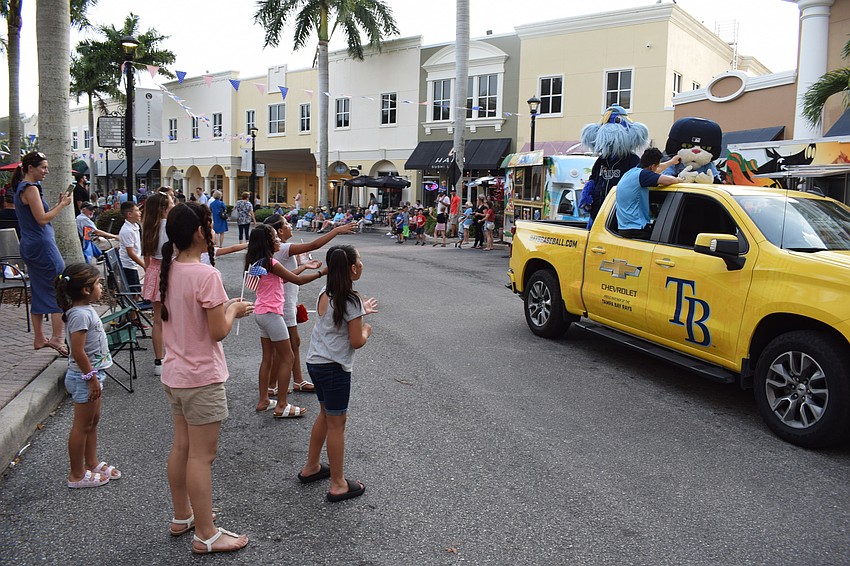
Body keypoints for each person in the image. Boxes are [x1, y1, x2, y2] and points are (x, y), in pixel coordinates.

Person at [158, 202, 252, 554]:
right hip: (201, 377)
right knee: (201, 456)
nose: (214, 229)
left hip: (175, 373)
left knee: (181, 447)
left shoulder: (166, 269)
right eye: (210, 224)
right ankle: (207, 533)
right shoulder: (206, 275)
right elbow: (218, 332)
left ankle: (183, 515)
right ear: (200, 232)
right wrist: (233, 308)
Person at [298, 244, 377, 502]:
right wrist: (366, 329)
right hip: (334, 368)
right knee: (337, 425)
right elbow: (356, 340)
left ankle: (311, 466)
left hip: (316, 363)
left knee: (324, 414)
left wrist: (360, 310)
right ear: (353, 269)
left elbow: (337, 316)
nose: (362, 264)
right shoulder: (351, 300)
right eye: (360, 260)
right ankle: (338, 483)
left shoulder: (326, 291)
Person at [265, 214, 356, 399]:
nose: (290, 226)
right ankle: (274, 385)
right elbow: (314, 245)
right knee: (287, 346)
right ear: (280, 231)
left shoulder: (279, 249)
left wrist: (303, 264)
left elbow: (289, 272)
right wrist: (336, 230)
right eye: (287, 224)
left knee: (291, 344)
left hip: (286, 300)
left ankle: (295, 379)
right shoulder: (283, 247)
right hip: (283, 302)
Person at [245, 224, 327, 416]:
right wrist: (322, 273)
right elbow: (297, 281)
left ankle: (264, 400)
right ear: (267, 242)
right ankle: (282, 405)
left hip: (261, 312)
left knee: (268, 358)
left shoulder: (258, 262)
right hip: (272, 314)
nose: (278, 242)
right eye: (275, 238)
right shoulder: (271, 263)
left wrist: (303, 267)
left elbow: (283, 279)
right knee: (287, 357)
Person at [56, 263, 121, 488]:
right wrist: (91, 378)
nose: (101, 287)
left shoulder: (84, 310)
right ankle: (76, 474)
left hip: (92, 376)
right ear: (85, 289)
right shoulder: (79, 315)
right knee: (81, 426)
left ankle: (91, 463)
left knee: (93, 421)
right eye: (98, 284)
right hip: (85, 378)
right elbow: (78, 351)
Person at [12, 151, 72, 355]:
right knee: (59, 287)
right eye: (43, 167)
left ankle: (39, 338)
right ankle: (57, 338)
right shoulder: (30, 189)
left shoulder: (26, 188)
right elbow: (42, 219)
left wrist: (57, 204)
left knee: (39, 289)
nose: (46, 171)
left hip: (31, 245)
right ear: (31, 168)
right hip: (41, 246)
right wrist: (62, 205)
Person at [141, 191, 175, 377]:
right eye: (170, 204)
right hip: (169, 270)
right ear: (163, 208)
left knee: (157, 319)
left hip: (154, 271)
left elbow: (147, 258)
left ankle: (158, 360)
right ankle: (173, 354)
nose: (173, 206)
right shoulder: (170, 226)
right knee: (174, 316)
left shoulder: (147, 226)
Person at [615, 147, 681, 239]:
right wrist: (681, 179)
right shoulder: (643, 175)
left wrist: (671, 162)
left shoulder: (632, 173)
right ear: (652, 166)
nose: (657, 168)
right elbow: (669, 180)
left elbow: (656, 170)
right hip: (637, 229)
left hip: (625, 228)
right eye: (656, 166)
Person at [118, 201, 145, 296]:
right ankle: (132, 310)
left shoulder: (135, 226)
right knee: (134, 293)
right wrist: (144, 265)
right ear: (129, 214)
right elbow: (130, 253)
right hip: (128, 266)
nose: (140, 213)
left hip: (133, 265)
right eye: (137, 211)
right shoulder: (127, 230)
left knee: (136, 291)